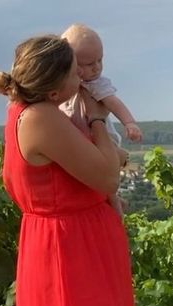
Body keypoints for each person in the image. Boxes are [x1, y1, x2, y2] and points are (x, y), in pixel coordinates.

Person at [0, 34, 138, 306]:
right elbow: (106, 176)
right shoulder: (42, 119)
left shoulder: (34, 112)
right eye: (75, 74)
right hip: (73, 262)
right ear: (54, 91)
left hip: (70, 252)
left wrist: (108, 154)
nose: (82, 81)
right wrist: (100, 120)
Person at [60, 23, 142, 216]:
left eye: (100, 60)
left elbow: (114, 103)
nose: (96, 68)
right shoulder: (65, 85)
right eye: (88, 64)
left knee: (108, 180)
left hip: (103, 140)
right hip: (83, 138)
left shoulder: (96, 84)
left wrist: (129, 123)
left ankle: (116, 211)